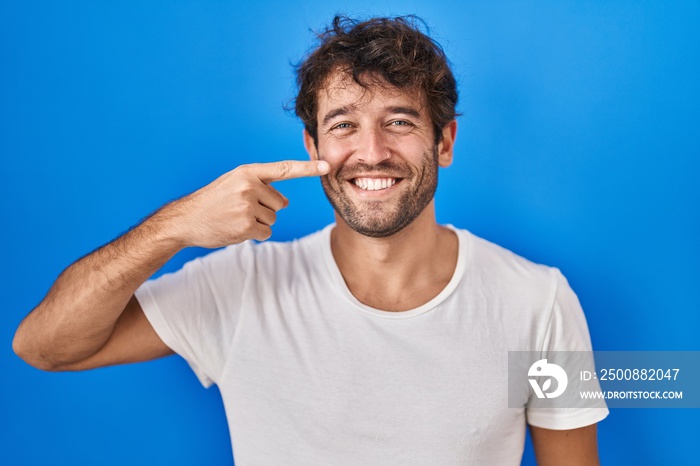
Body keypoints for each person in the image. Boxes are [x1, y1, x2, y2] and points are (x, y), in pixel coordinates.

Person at [13, 15, 607, 465]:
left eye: (399, 121)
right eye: (343, 125)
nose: (371, 151)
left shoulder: (541, 301)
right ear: (312, 147)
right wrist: (174, 227)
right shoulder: (239, 285)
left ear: (444, 142)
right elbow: (44, 347)